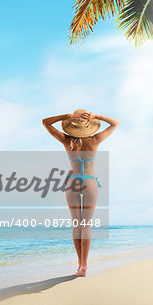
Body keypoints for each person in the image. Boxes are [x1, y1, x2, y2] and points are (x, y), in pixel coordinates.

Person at [42, 110, 120, 277]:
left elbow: (45, 122)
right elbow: (115, 123)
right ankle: (84, 265)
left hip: (73, 181)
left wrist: (65, 117)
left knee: (76, 224)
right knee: (86, 225)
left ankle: (79, 264)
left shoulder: (67, 140)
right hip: (89, 181)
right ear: (88, 126)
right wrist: (97, 117)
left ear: (72, 126)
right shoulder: (95, 140)